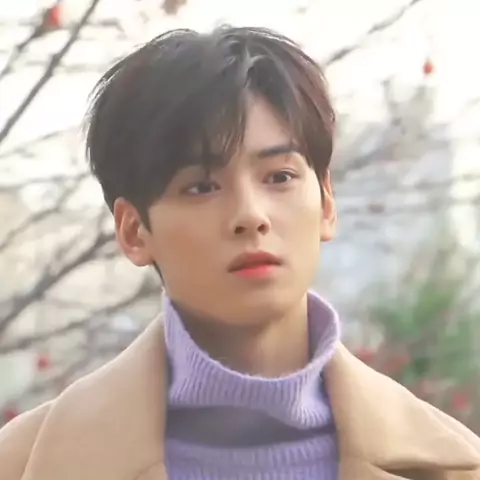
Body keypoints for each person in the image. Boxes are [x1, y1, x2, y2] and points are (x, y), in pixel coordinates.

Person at [1, 26, 479, 480]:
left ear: (327, 204)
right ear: (134, 231)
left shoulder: (453, 466)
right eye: (201, 186)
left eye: (280, 177)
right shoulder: (27, 463)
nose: (250, 215)